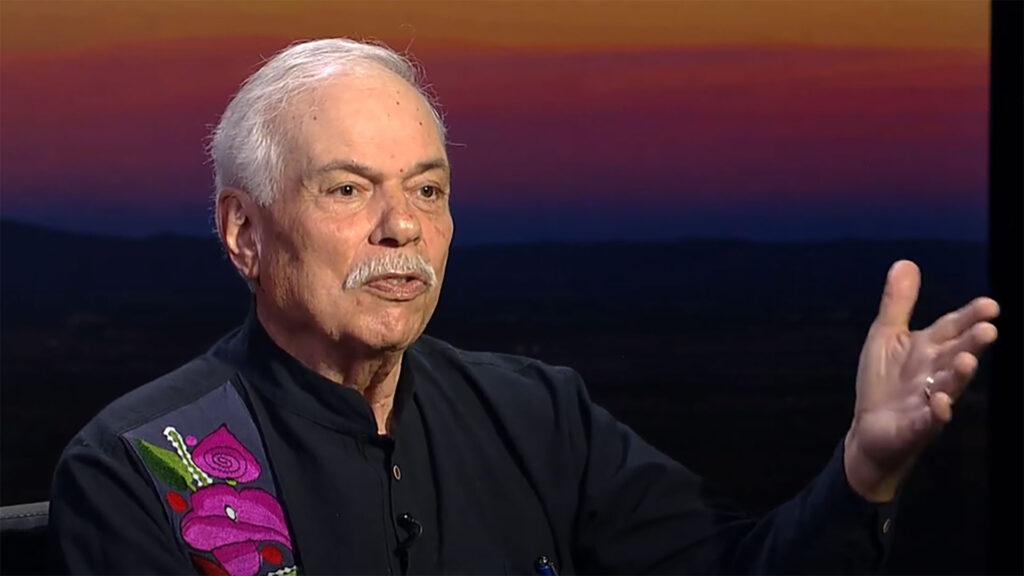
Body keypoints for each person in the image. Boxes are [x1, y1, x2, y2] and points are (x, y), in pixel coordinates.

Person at [48, 38, 1000, 576]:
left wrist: (864, 467)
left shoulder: (539, 417)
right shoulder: (141, 466)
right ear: (243, 233)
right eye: (347, 190)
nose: (401, 230)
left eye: (427, 191)